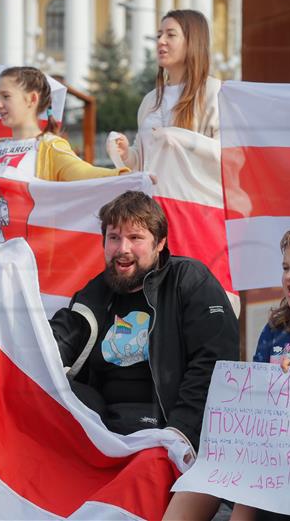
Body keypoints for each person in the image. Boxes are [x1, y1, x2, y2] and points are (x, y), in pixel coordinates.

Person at [48, 191, 239, 508]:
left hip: (166, 435)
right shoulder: (93, 293)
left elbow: (213, 363)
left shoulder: (190, 281)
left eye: (135, 237)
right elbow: (55, 344)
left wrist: (180, 433)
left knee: (137, 481)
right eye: (114, 237)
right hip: (103, 435)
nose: (122, 249)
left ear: (160, 242)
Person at [164, 229, 290, 521]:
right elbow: (255, 387)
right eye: (285, 268)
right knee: (203, 475)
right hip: (266, 443)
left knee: (247, 489)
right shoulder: (276, 326)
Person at [0, 66, 130, 180]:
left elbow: (83, 173)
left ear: (32, 99)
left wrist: (123, 177)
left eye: (6, 97)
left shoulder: (50, 147)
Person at [112, 9, 220, 171]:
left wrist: (178, 138)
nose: (161, 41)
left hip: (192, 196)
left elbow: (226, 153)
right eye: (159, 35)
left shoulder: (214, 91)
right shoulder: (150, 99)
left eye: (170, 35)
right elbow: (143, 161)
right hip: (153, 195)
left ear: (193, 41)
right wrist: (126, 154)